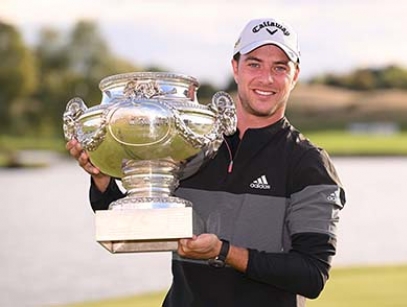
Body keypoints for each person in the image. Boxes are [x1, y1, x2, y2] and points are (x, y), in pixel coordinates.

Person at [66, 17, 346, 307]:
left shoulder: (309, 163)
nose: (266, 78)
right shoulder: (190, 143)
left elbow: (311, 275)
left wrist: (223, 252)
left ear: (295, 76)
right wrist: (102, 178)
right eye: (254, 64)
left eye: (280, 67)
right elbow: (135, 224)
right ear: (235, 68)